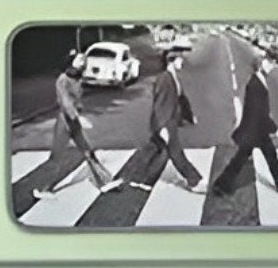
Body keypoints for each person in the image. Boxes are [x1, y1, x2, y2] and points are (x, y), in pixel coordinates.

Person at [211, 53, 278, 196]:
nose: (272, 67)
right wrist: (275, 129)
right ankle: (221, 185)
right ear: (261, 65)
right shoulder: (255, 84)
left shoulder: (259, 80)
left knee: (270, 157)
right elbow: (259, 112)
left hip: (257, 129)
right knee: (241, 160)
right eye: (269, 63)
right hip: (253, 130)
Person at [125, 49, 202, 191]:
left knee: (156, 150)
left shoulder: (173, 77)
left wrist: (189, 116)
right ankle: (194, 181)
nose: (182, 62)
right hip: (165, 121)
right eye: (179, 60)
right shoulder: (164, 79)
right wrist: (162, 127)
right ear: (171, 62)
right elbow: (160, 105)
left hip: (168, 120)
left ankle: (142, 179)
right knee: (176, 152)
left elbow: (181, 98)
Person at [50, 56, 114, 191]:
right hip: (65, 121)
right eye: (79, 61)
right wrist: (77, 116)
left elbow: (76, 99)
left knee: (88, 152)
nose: (82, 63)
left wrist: (79, 110)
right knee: (57, 156)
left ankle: (104, 182)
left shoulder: (77, 79)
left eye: (83, 62)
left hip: (74, 122)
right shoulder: (63, 80)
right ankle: (43, 188)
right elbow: (66, 102)